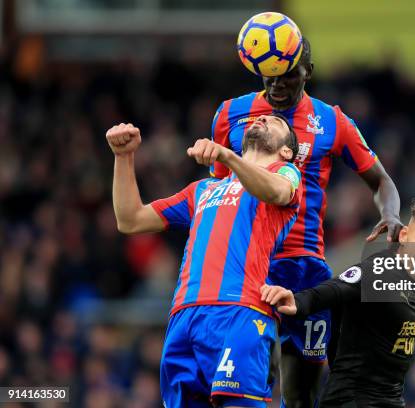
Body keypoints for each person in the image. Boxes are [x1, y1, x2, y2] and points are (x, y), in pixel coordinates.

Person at [210, 37, 402, 407]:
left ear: (307, 72)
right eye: (269, 77)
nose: (278, 86)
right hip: (247, 265)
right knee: (243, 388)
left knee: (301, 395)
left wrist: (390, 214)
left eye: (288, 77)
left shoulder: (332, 121)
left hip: (304, 269)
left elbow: (381, 181)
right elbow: (218, 192)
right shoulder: (231, 114)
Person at [106, 114, 303, 407]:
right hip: (184, 315)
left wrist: (228, 157)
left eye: (275, 121)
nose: (262, 117)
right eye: (261, 117)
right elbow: (130, 219)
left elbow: (275, 191)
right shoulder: (203, 190)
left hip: (239, 311)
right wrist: (123, 157)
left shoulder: (286, 172)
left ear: (286, 150)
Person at [260, 197, 415, 407]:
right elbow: (339, 288)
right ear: (404, 235)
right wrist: (297, 300)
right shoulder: (381, 270)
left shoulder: (408, 282)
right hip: (355, 400)